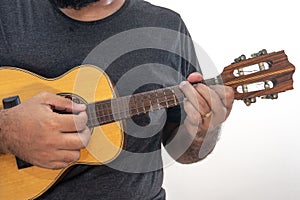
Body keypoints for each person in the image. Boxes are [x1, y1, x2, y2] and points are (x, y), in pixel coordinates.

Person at [0, 0, 234, 199]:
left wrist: (204, 130)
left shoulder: (166, 28)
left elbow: (186, 151)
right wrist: (7, 131)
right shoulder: (7, 13)